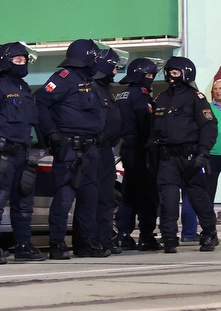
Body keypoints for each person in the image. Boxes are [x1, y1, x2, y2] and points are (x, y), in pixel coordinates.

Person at [34, 39, 106, 259]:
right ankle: (57, 243)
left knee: (89, 199)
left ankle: (85, 243)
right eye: (94, 57)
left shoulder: (89, 81)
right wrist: (51, 133)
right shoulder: (64, 78)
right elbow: (40, 101)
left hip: (90, 148)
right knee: (64, 198)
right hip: (69, 149)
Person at [0, 43, 44, 262]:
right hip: (2, 153)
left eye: (24, 60)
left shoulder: (23, 88)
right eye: (18, 60)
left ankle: (23, 245)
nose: (23, 64)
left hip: (24, 153)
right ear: (6, 61)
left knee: (23, 202)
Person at [151, 56, 219, 253]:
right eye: (168, 73)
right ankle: (169, 236)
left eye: (174, 73)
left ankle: (208, 232)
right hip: (168, 157)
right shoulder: (162, 97)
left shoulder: (195, 98)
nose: (170, 77)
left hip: (190, 156)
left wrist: (203, 153)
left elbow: (209, 126)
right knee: (169, 198)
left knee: (198, 197)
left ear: (185, 73)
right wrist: (152, 155)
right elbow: (153, 130)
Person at [114, 58, 161, 251]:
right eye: (148, 75)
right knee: (147, 194)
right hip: (140, 147)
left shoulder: (121, 94)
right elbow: (144, 119)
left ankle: (123, 234)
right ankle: (146, 236)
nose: (150, 79)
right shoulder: (141, 95)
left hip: (126, 146)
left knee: (129, 192)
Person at [93, 49, 124, 254]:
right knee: (92, 198)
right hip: (94, 148)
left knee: (106, 197)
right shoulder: (92, 88)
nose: (115, 71)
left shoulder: (105, 89)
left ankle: (104, 238)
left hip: (106, 149)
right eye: (113, 66)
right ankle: (92, 240)